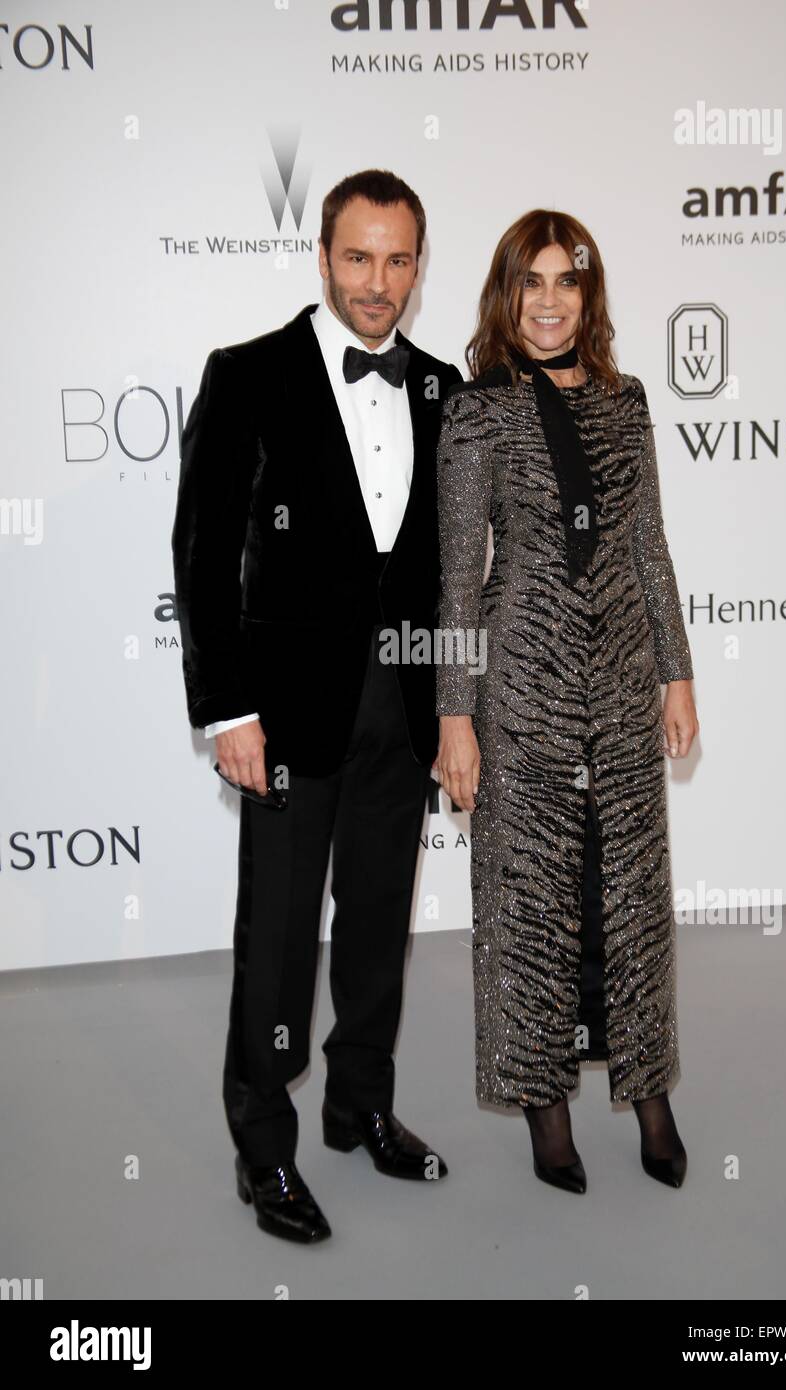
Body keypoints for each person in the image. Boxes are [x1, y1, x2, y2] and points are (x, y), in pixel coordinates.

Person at [172, 169, 462, 1243]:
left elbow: (451, 567)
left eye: (397, 261)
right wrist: (225, 709)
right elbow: (201, 558)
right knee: (280, 938)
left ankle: (361, 1108)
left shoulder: (442, 388)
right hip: (286, 717)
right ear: (323, 254)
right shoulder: (248, 374)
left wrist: (456, 704)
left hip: (407, 708)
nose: (377, 282)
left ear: (419, 268)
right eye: (357, 256)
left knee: (379, 925)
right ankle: (264, 1149)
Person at [435, 209, 699, 1194]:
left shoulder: (628, 404)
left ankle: (652, 1095)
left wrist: (677, 673)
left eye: (568, 281)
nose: (549, 301)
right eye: (531, 281)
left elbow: (649, 551)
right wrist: (455, 716)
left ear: (589, 294)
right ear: (509, 294)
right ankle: (547, 1112)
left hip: (626, 691)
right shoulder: (481, 409)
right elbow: (459, 578)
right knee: (529, 905)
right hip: (522, 696)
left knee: (629, 901)